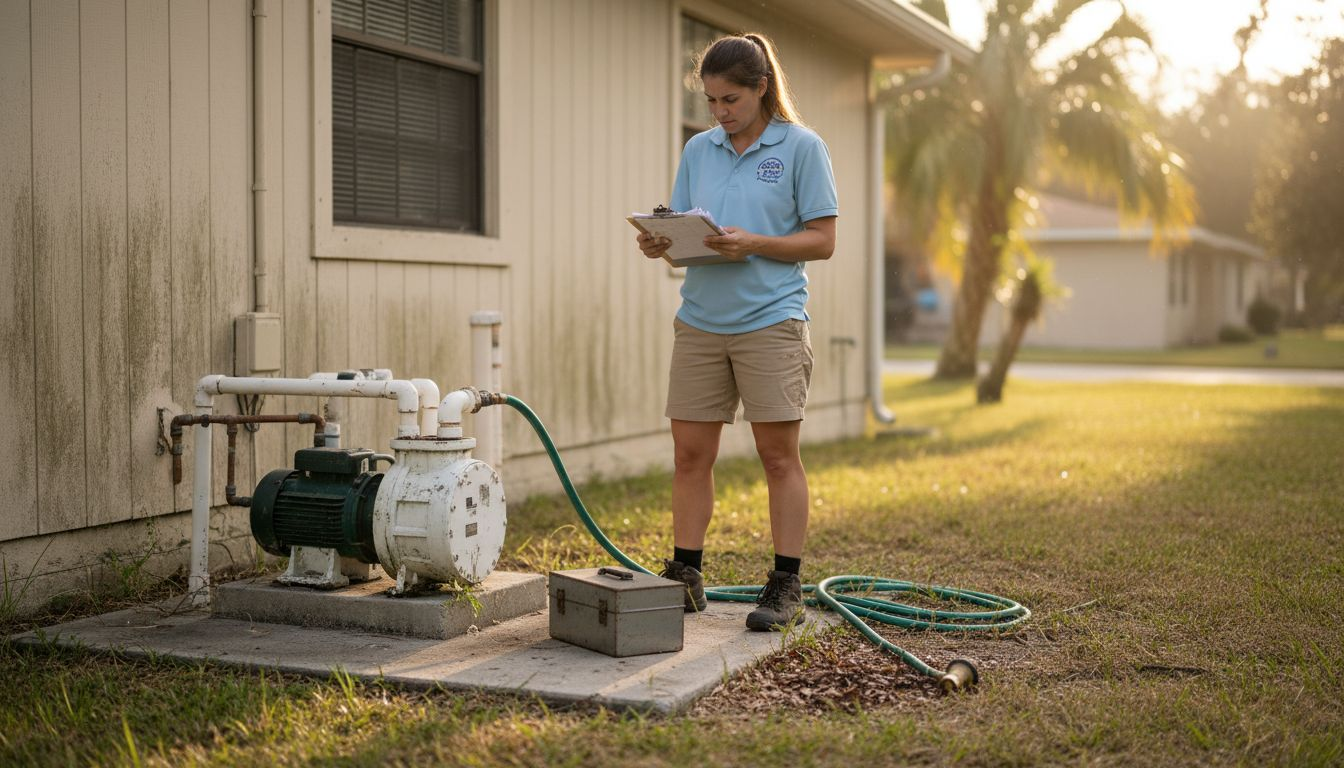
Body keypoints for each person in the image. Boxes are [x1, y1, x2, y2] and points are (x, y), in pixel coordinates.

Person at [635, 33, 837, 631]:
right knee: (690, 454)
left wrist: (756, 243)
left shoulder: (802, 147)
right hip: (700, 321)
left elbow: (823, 241)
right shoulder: (700, 150)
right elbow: (683, 232)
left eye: (730, 100)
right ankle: (686, 574)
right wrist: (659, 242)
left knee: (778, 457)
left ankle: (785, 584)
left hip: (771, 321)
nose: (719, 113)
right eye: (711, 101)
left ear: (761, 89)